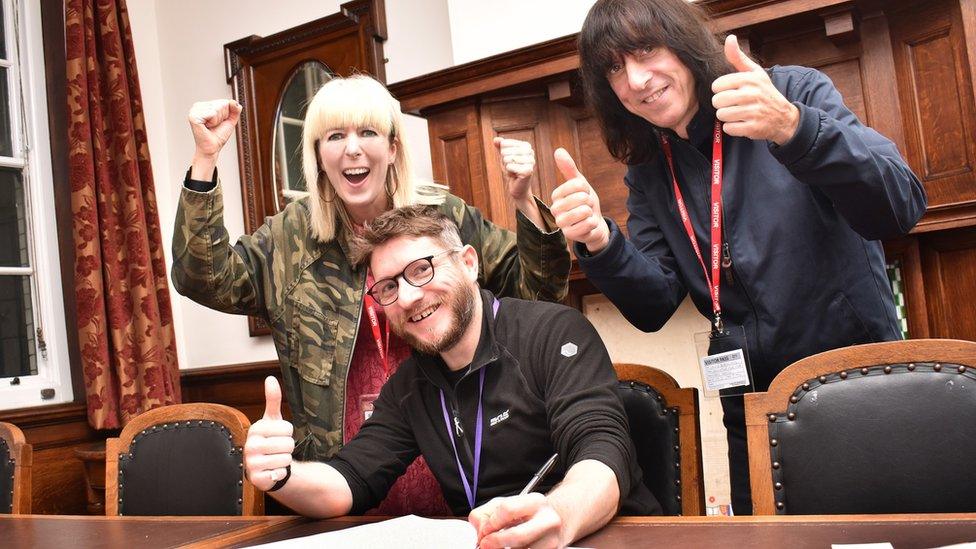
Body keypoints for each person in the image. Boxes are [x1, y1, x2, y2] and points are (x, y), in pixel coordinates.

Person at [548, 0, 927, 514]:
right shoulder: (649, 168)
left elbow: (899, 206)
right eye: (615, 68)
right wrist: (601, 242)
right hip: (750, 410)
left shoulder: (790, 92)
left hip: (856, 386)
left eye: (645, 50)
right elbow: (655, 303)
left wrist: (795, 128)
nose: (636, 79)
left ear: (683, 42)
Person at [171, 74, 571, 515]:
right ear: (319, 156)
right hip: (339, 476)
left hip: (457, 461)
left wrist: (526, 202)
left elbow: (539, 292)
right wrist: (205, 160)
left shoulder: (442, 215)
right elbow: (201, 277)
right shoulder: (289, 236)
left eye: (367, 132)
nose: (352, 148)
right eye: (335, 136)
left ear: (393, 148)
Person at [243, 205, 661, 548]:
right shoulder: (410, 385)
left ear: (468, 263)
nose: (406, 297)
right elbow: (349, 481)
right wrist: (281, 475)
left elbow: (602, 449)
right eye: (387, 287)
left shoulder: (553, 332)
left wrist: (558, 515)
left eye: (421, 269)